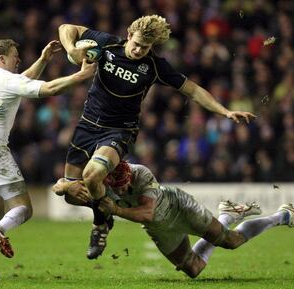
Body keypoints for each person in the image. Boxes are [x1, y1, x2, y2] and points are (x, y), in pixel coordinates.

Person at [53, 14, 257, 259]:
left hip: (119, 130)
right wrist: (72, 49)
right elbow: (67, 27)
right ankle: (104, 211)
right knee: (71, 195)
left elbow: (192, 90)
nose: (138, 50)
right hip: (86, 126)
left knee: (92, 175)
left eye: (145, 47)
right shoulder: (108, 44)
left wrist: (225, 111)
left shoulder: (154, 66)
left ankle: (99, 225)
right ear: (129, 35)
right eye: (136, 43)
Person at [0, 39, 96, 283]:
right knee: (24, 209)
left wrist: (43, 59)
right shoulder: (7, 80)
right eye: (15, 56)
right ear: (2, 59)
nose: (18, 60)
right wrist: (82, 75)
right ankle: (0, 231)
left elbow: (22, 78)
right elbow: (49, 90)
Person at [59, 161, 294, 278]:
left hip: (178, 207)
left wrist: (114, 209)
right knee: (193, 270)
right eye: (119, 187)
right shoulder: (99, 181)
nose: (124, 190)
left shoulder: (140, 174)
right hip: (158, 228)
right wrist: (62, 188)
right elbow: (66, 186)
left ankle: (283, 216)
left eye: (125, 185)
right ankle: (227, 213)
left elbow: (146, 211)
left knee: (232, 241)